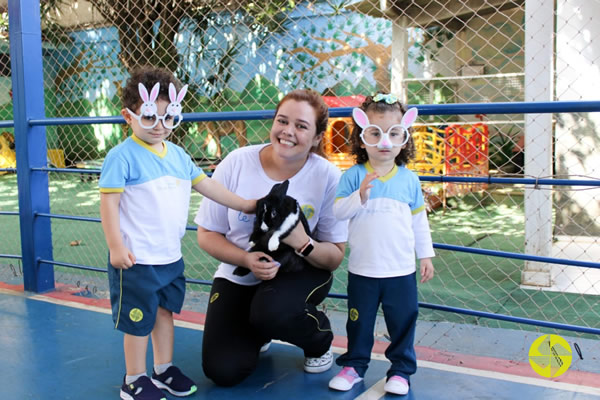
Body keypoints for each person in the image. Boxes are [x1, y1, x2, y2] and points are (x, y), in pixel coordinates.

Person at [99, 66, 255, 400]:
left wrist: (245, 204)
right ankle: (134, 378)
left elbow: (208, 186)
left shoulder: (179, 156)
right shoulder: (121, 157)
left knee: (165, 313)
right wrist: (115, 246)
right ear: (129, 115)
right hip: (136, 260)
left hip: (169, 257)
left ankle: (163, 368)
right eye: (150, 118)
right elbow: (109, 204)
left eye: (169, 119)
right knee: (138, 321)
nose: (160, 127)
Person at [194, 88, 348, 387]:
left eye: (301, 126)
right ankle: (257, 329)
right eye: (282, 121)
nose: (288, 132)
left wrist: (303, 243)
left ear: (317, 137)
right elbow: (206, 234)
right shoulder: (236, 162)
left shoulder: (328, 176)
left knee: (273, 312)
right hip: (240, 272)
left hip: (299, 270)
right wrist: (245, 259)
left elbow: (334, 256)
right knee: (223, 371)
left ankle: (319, 340)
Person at [328, 93, 435, 396]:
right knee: (358, 323)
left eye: (393, 133)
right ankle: (354, 366)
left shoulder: (410, 181)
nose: (384, 141)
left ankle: (401, 370)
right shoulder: (352, 176)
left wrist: (425, 255)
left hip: (401, 272)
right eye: (375, 133)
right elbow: (338, 213)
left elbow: (418, 223)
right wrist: (359, 195)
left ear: (404, 138)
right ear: (362, 138)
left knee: (402, 322)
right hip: (363, 270)